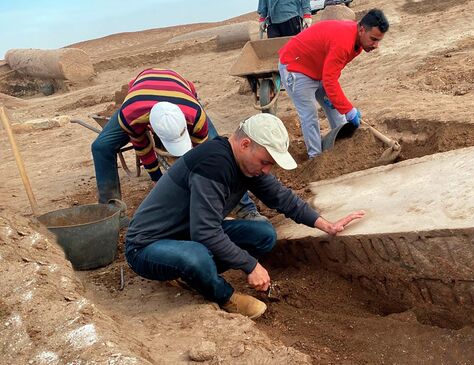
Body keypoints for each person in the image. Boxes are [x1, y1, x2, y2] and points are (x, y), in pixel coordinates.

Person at [125, 113, 365, 319]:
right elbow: (205, 232)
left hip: (186, 236)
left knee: (263, 234)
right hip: (147, 247)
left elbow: (281, 197)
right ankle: (225, 297)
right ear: (245, 144)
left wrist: (326, 225)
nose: (266, 170)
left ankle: (195, 275)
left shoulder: (246, 164)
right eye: (265, 162)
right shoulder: (213, 165)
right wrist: (250, 266)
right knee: (196, 255)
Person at [91, 68, 265, 224]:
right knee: (100, 147)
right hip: (140, 97)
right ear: (150, 127)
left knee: (220, 151)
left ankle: (246, 209)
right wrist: (157, 179)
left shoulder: (195, 116)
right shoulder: (131, 115)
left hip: (181, 91)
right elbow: (142, 147)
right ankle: (112, 214)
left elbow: (211, 157)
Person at [278, 8, 389, 158]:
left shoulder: (358, 42)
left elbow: (331, 74)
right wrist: (349, 109)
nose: (376, 45)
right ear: (362, 29)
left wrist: (339, 104)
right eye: (373, 39)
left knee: (337, 111)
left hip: (318, 69)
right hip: (295, 66)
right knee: (309, 114)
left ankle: (344, 148)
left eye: (378, 40)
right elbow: (330, 80)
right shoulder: (344, 42)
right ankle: (315, 158)